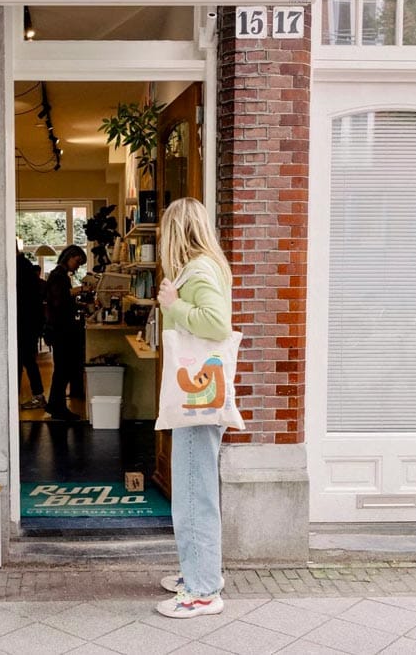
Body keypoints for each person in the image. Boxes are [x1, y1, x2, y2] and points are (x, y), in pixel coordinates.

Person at [153, 197, 234, 619]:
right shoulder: (205, 266)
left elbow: (217, 324)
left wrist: (174, 305)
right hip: (199, 398)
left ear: (176, 232)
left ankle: (202, 592)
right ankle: (199, 573)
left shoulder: (199, 270)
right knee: (192, 490)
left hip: (197, 403)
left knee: (192, 493)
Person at [43, 244, 87, 421]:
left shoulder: (60, 275)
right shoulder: (58, 276)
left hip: (59, 328)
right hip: (60, 329)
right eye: (77, 261)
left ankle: (56, 405)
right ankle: (57, 407)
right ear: (69, 257)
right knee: (63, 369)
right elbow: (58, 299)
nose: (77, 266)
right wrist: (80, 290)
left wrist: (78, 303)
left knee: (62, 369)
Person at [16, 251, 46, 410]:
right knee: (27, 361)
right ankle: (37, 395)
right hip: (29, 324)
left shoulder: (19, 268)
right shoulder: (26, 267)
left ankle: (19, 396)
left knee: (22, 361)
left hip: (23, 324)